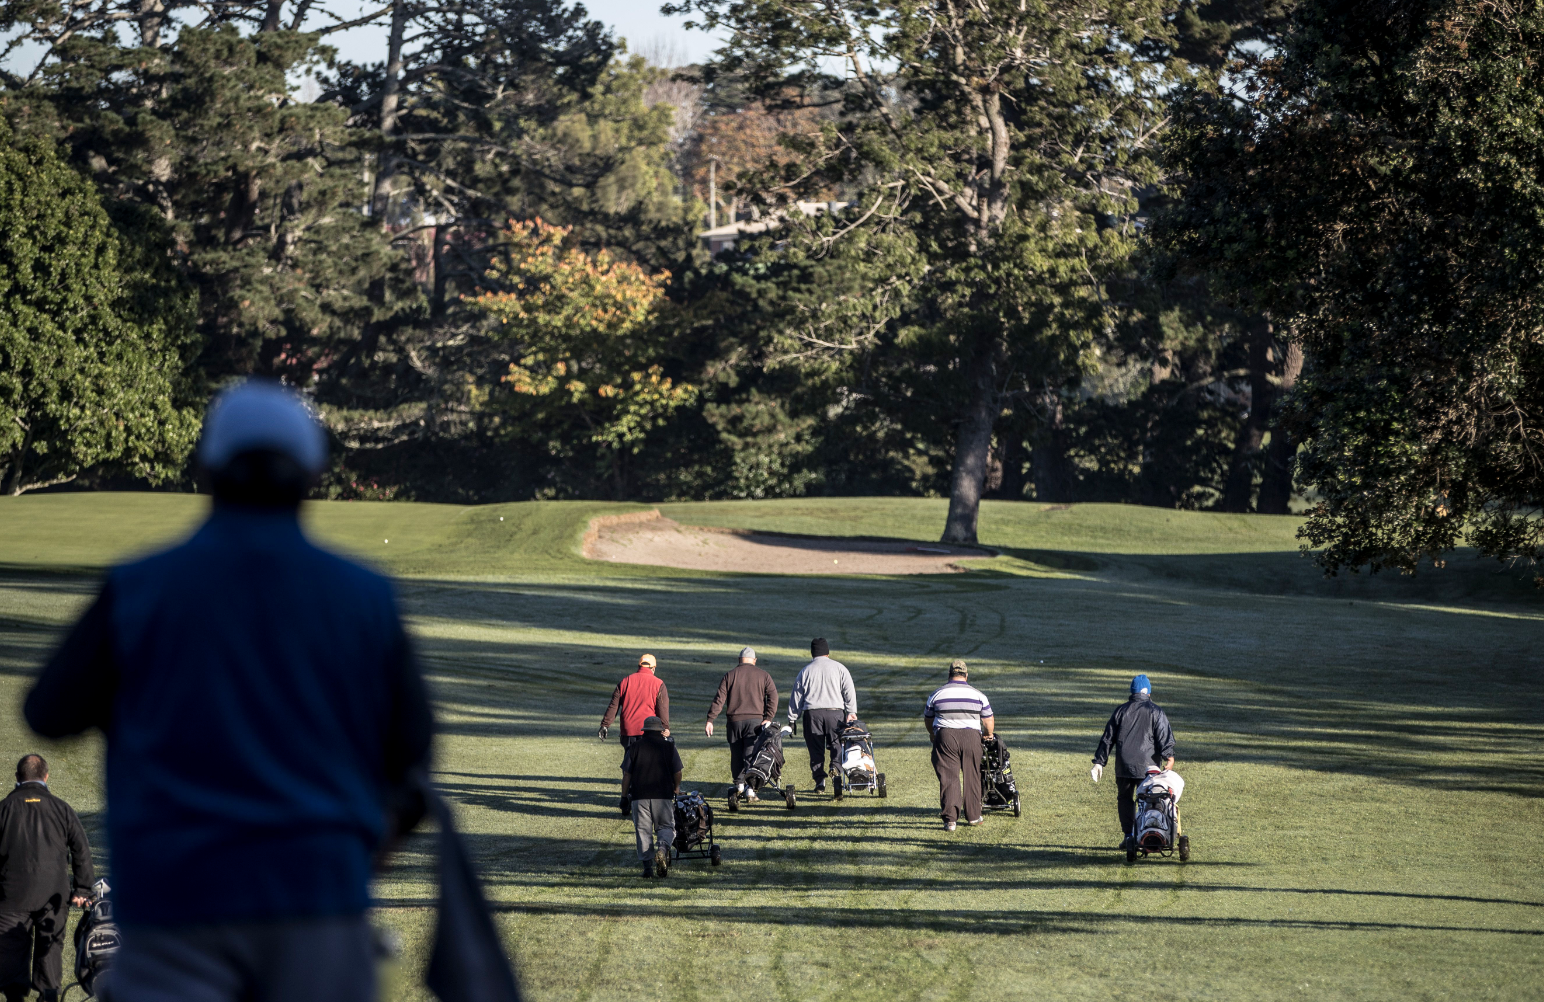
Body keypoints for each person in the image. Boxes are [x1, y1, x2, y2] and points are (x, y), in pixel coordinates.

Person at [25, 380, 434, 1002]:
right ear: (312, 473)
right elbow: (414, 758)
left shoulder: (143, 586)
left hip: (175, 898)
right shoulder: (364, 595)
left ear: (207, 469)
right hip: (317, 895)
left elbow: (50, 711)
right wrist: (367, 853)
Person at [0, 755, 93, 1002]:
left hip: (11, 895)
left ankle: (14, 996)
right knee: (49, 950)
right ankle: (48, 994)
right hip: (53, 895)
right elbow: (81, 849)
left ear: (18, 778)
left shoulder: (4, 808)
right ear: (46, 776)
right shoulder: (62, 808)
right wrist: (82, 889)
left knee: (10, 950)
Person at [1090, 674, 1175, 848]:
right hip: (1148, 767)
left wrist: (1099, 761)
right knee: (1149, 800)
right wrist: (1169, 757)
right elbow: (1164, 737)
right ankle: (1148, 835)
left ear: (1132, 691)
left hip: (1124, 766)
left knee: (1125, 799)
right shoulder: (1156, 711)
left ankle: (1129, 835)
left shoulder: (1121, 711)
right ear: (1149, 693)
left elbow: (1108, 738)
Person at [923, 660, 995, 831]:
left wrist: (932, 734)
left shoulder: (937, 694)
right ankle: (973, 816)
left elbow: (928, 718)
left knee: (949, 777)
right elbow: (988, 719)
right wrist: (988, 735)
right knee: (973, 775)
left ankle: (950, 820)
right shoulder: (978, 695)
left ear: (949, 675)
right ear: (966, 675)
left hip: (946, 736)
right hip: (971, 736)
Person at [704, 647, 778, 799]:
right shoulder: (763, 675)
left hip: (734, 722)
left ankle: (738, 785)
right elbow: (773, 697)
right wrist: (768, 717)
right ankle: (750, 790)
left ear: (739, 660)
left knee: (736, 754)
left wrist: (711, 719)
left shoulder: (730, 675)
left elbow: (719, 699)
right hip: (756, 722)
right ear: (754, 661)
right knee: (751, 755)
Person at [785, 638, 856, 793]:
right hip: (835, 713)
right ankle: (835, 767)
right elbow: (848, 690)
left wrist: (792, 719)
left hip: (812, 714)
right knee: (837, 744)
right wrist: (851, 712)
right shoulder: (839, 668)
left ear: (812, 653)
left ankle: (820, 782)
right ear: (827, 652)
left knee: (815, 749)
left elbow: (796, 696)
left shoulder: (805, 671)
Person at [618, 717, 682, 878]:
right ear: (660, 731)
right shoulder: (669, 747)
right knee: (667, 827)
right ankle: (662, 848)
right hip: (663, 796)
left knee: (643, 831)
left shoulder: (634, 747)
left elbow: (627, 774)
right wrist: (676, 788)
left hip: (640, 797)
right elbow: (678, 772)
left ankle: (647, 868)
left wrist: (624, 796)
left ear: (644, 731)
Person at [599, 654, 671, 747]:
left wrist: (605, 725)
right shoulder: (659, 684)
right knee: (646, 760)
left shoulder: (625, 682)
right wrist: (665, 727)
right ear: (653, 668)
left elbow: (613, 706)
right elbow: (662, 708)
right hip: (649, 731)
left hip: (628, 731)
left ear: (639, 666)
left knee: (629, 760)